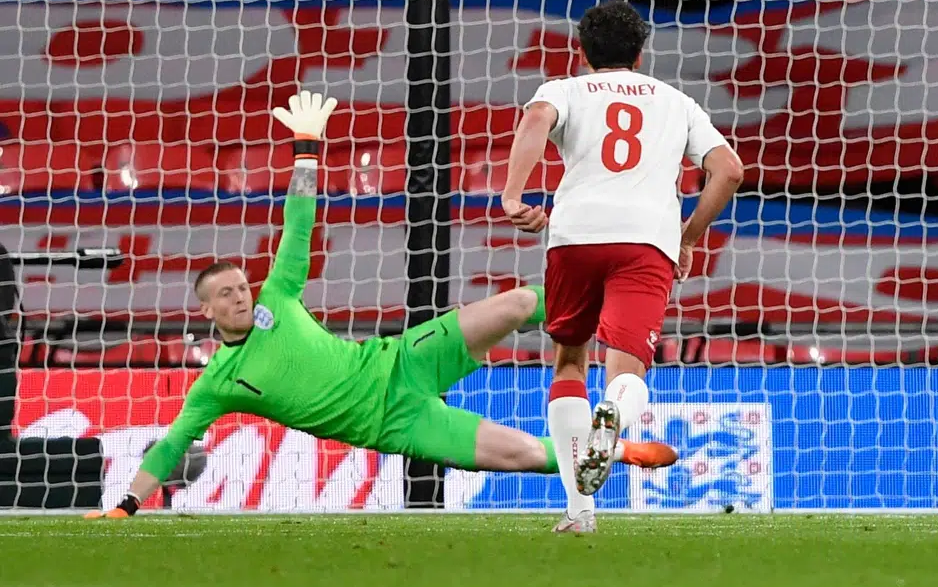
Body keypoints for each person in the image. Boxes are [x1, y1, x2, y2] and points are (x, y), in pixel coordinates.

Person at [87, 90, 675, 518]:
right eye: (226, 294)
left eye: (241, 286)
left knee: (520, 302)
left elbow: (298, 226)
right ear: (207, 312)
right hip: (397, 424)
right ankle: (618, 450)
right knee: (522, 454)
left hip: (401, 360)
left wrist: (306, 151)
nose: (240, 295)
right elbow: (173, 443)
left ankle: (621, 311)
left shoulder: (277, 295)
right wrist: (127, 504)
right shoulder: (218, 381)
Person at [502, 1, 744, 534]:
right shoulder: (676, 101)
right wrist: (687, 238)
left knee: (570, 362)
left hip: (575, 237)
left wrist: (513, 194)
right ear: (640, 55)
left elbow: (535, 119)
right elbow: (729, 170)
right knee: (626, 371)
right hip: (645, 241)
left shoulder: (564, 90)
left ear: (583, 52)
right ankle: (613, 411)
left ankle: (579, 512)